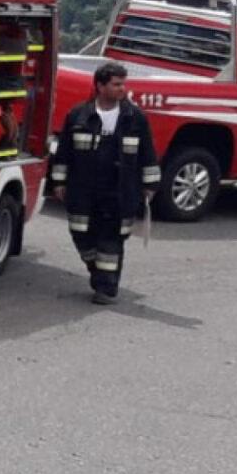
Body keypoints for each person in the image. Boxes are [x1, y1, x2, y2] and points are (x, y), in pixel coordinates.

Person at [49, 61, 159, 305]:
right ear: (100, 85)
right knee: (81, 233)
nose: (123, 89)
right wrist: (58, 182)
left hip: (119, 190)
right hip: (83, 189)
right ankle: (97, 270)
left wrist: (150, 186)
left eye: (123, 84)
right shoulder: (78, 116)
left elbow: (148, 153)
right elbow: (63, 152)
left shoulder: (134, 118)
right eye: (116, 84)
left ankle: (106, 289)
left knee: (111, 239)